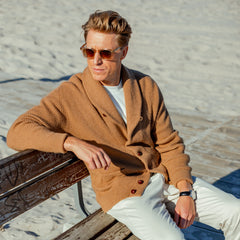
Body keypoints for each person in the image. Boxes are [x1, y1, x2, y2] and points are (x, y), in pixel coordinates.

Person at [7, 10, 240, 240]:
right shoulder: (71, 94)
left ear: (123, 52)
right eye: (89, 51)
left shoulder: (144, 85)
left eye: (105, 53)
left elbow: (169, 143)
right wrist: (71, 143)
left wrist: (185, 191)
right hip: (125, 193)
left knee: (236, 212)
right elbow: (18, 131)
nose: (95, 60)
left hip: (164, 177)